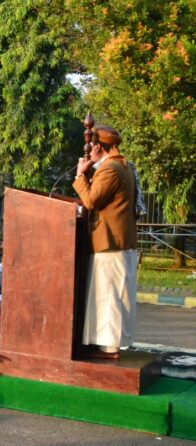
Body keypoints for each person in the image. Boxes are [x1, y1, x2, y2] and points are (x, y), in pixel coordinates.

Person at [73, 125, 139, 358]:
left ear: (98, 146)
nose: (87, 154)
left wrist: (81, 175)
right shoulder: (122, 165)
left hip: (111, 242)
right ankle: (104, 345)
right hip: (116, 242)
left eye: (90, 149)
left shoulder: (111, 168)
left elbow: (91, 201)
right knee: (109, 295)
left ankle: (109, 349)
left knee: (109, 297)